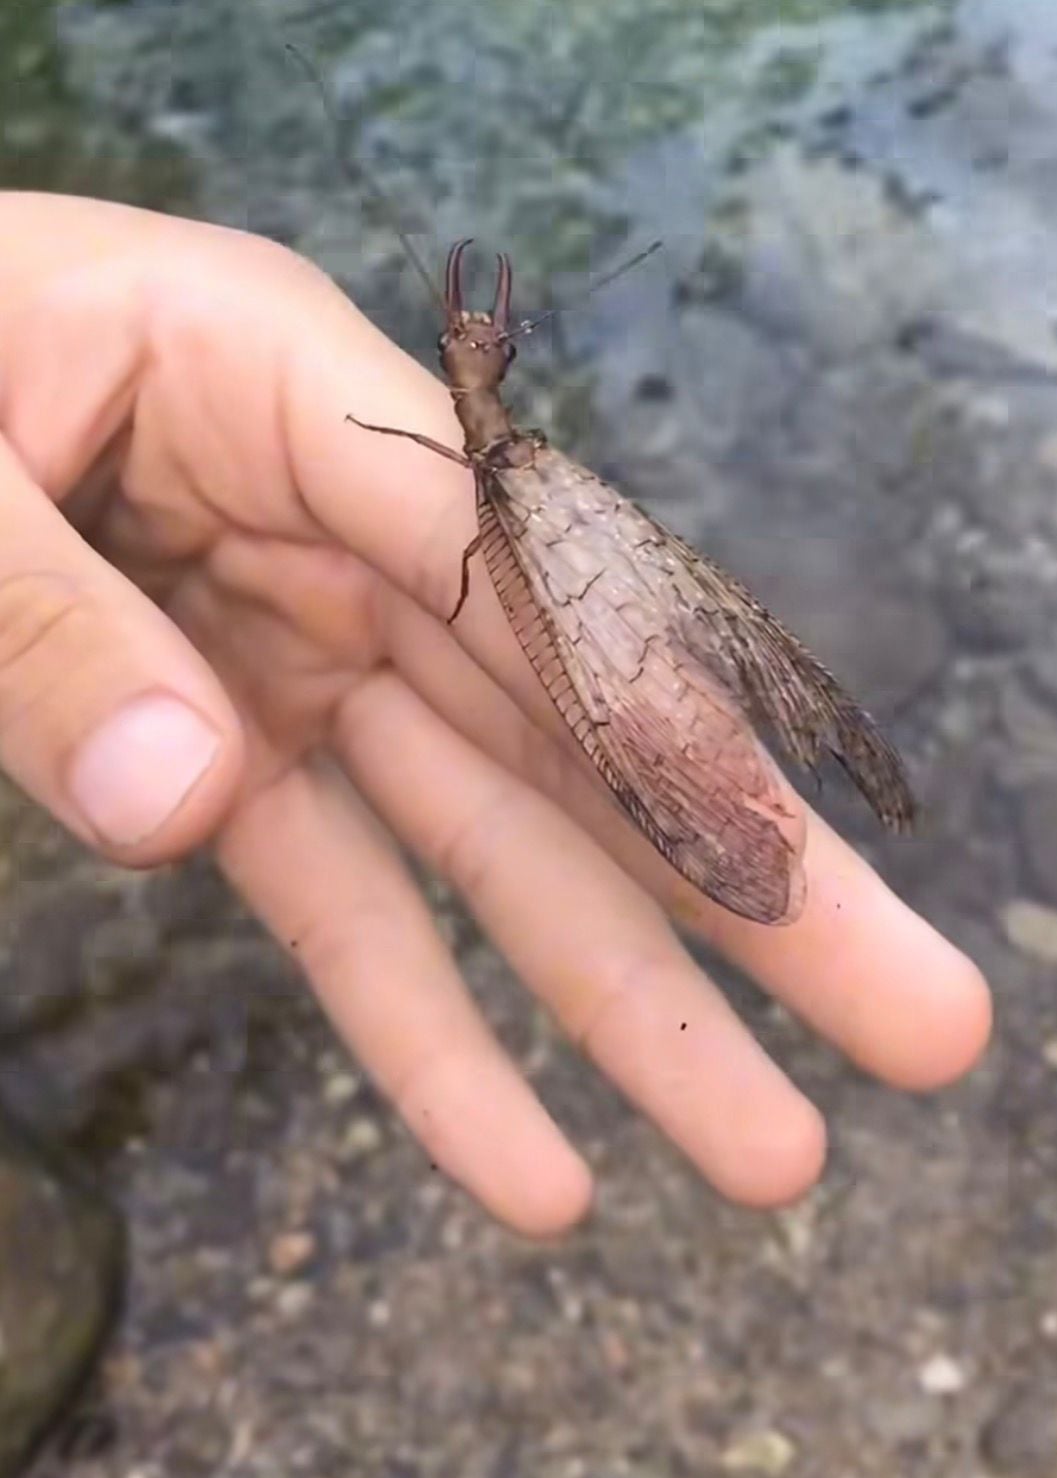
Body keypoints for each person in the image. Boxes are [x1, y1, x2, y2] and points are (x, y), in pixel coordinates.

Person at [0, 191, 991, 1235]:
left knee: (619, 700)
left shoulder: (495, 468)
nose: (470, 350)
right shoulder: (502, 453)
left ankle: (765, 782)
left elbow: (489, 560)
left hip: (534, 522)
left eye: (477, 351)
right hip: (535, 507)